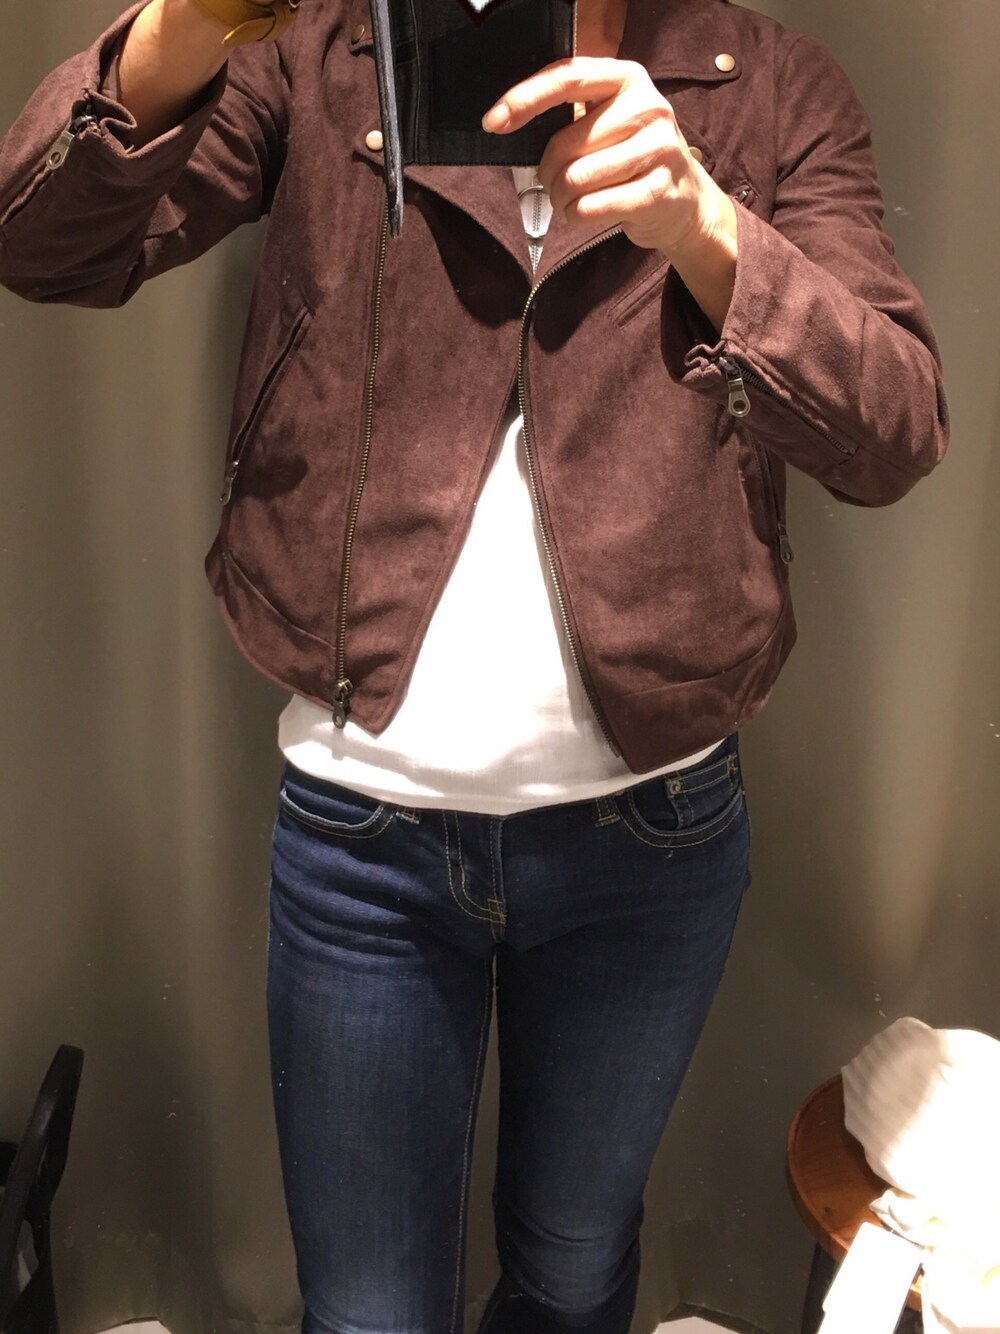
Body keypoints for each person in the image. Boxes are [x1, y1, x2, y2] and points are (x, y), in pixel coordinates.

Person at [0, 0, 948, 1330]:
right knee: (367, 1312)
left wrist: (706, 227)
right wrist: (190, 24)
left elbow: (896, 429)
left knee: (572, 1273)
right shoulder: (317, 49)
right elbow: (42, 240)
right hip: (363, 840)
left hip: (654, 837)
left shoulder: (771, 83)